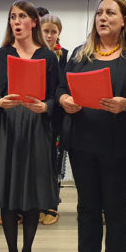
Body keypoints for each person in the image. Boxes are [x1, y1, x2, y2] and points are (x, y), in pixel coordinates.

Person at [58, 0, 126, 252]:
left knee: (116, 206)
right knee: (87, 206)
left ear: (124, 20)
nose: (103, 17)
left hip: (121, 144)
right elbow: (61, 87)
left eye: (110, 12)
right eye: (99, 12)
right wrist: (65, 99)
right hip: (83, 141)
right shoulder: (80, 53)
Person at [0, 1, 59, 252]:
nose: (16, 22)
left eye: (22, 17)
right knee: (8, 194)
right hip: (7, 126)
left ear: (34, 22)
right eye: (13, 17)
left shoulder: (48, 57)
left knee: (32, 193)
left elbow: (56, 95)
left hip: (36, 126)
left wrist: (46, 106)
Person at [40, 14, 68, 226]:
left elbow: (64, 85)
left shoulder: (65, 55)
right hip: (36, 114)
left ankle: (52, 204)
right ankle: (36, 203)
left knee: (54, 161)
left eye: (53, 32)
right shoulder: (34, 53)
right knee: (37, 161)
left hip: (57, 116)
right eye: (45, 31)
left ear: (59, 33)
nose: (49, 35)